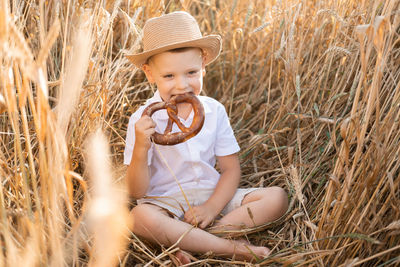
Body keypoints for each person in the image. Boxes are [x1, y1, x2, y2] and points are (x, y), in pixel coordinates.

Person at [124, 11, 288, 264]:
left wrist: (211, 207)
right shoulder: (142, 121)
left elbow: (231, 170)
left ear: (203, 64)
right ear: (149, 73)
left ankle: (189, 242)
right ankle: (231, 248)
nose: (182, 85)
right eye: (169, 76)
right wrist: (141, 148)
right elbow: (137, 191)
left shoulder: (214, 111)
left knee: (277, 197)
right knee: (139, 216)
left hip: (213, 197)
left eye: (191, 72)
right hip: (165, 206)